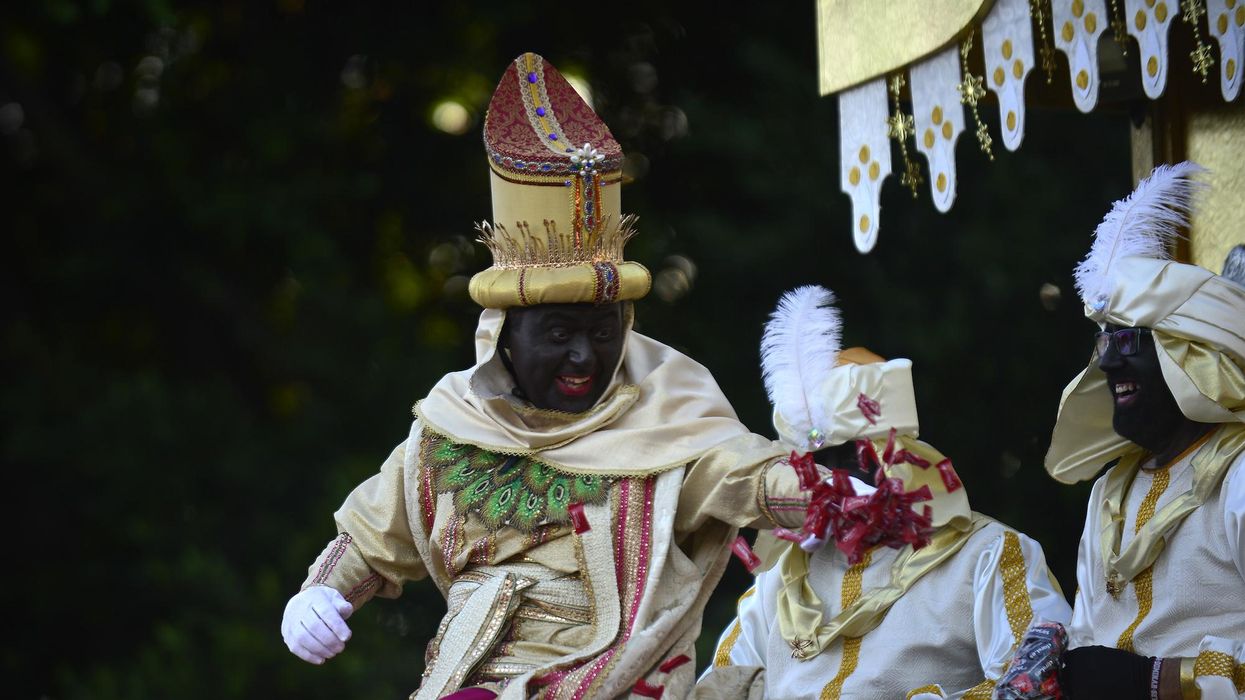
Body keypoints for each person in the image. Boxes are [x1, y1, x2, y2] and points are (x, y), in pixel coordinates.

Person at [279, 53, 818, 700]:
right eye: (559, 335)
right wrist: (315, 596)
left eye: (602, 331)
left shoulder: (665, 412)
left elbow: (745, 477)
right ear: (505, 333)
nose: (585, 358)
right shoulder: (452, 425)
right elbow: (370, 538)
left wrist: (836, 489)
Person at [697, 287, 1071, 700]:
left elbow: (1036, 686)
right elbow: (721, 688)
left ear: (899, 456)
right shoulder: (776, 582)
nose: (831, 484)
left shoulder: (988, 556)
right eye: (815, 466)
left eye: (850, 458)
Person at [1046, 162, 1245, 699]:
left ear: (1194, 360)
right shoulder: (1110, 491)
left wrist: (1157, 682)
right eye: (1102, 346)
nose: (1108, 366)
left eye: (1127, 343)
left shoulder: (1241, 476)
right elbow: (1089, 642)